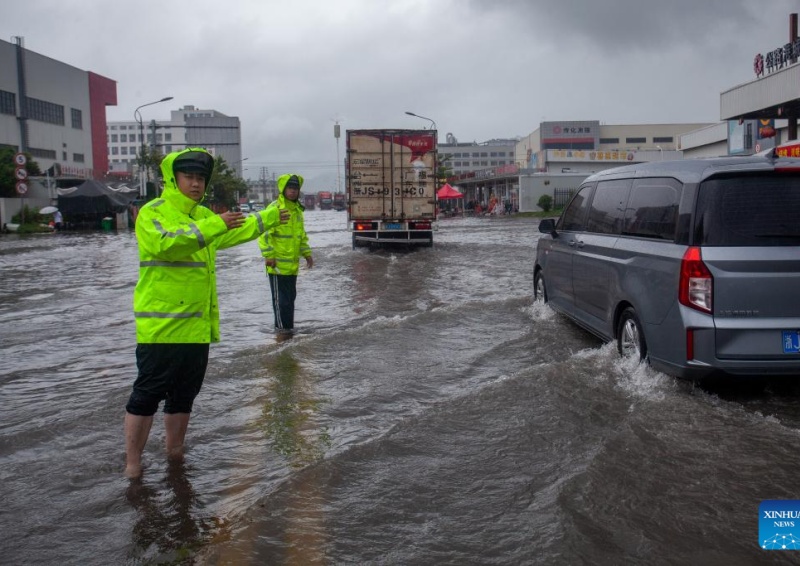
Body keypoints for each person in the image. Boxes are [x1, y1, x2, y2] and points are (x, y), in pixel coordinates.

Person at [123, 147, 289, 478]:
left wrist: (271, 216)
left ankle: (175, 452)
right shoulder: (153, 212)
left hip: (196, 327)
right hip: (162, 329)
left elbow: (236, 229)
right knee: (147, 394)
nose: (196, 184)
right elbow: (168, 244)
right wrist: (214, 224)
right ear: (173, 179)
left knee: (184, 396)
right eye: (189, 177)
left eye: (200, 178)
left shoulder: (202, 218)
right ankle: (132, 463)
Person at [258, 173, 313, 337]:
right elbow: (264, 234)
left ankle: (288, 331)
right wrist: (269, 255)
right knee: (280, 302)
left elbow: (300, 236)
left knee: (289, 301)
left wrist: (307, 254)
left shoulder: (297, 211)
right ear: (283, 189)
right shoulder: (274, 209)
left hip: (292, 267)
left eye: (295, 188)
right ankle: (282, 334)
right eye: (290, 188)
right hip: (277, 267)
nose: (293, 191)